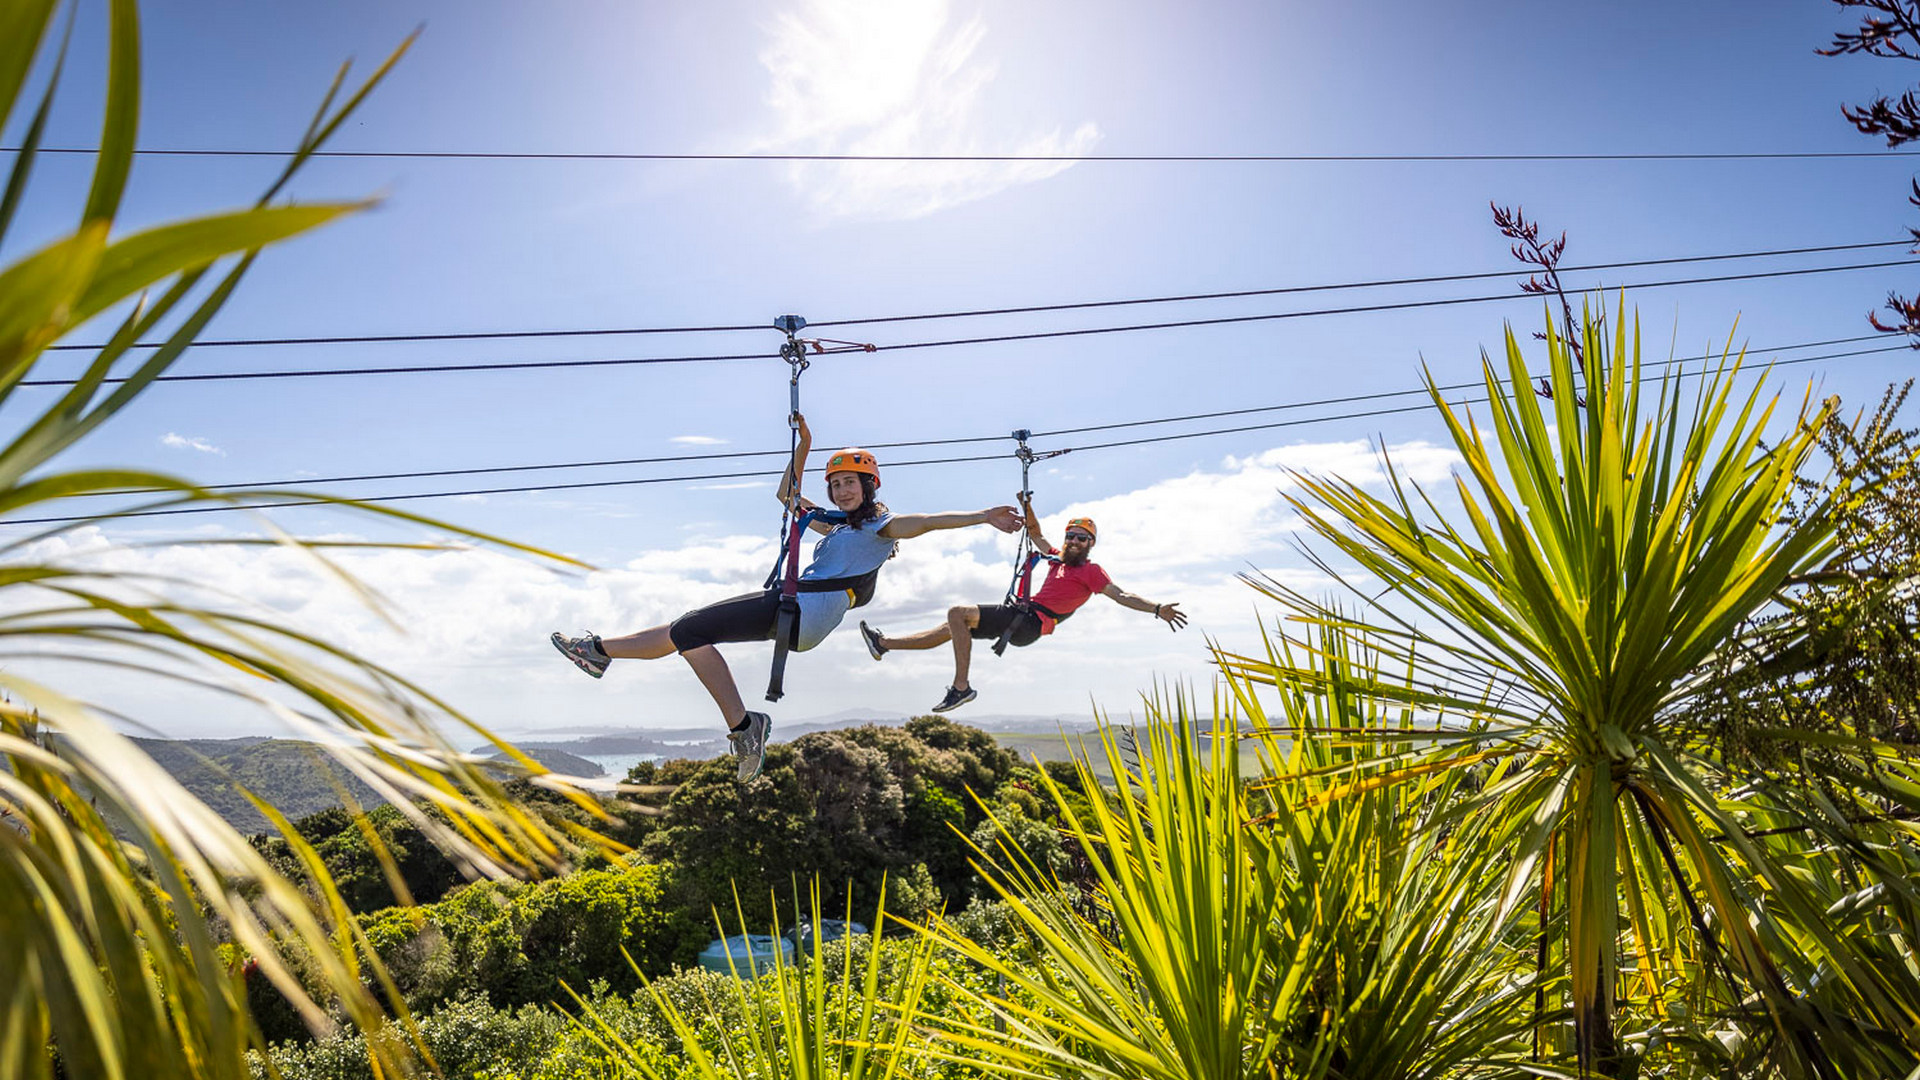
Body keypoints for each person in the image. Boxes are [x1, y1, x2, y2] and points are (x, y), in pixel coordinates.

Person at [550, 414, 1018, 781]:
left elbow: (928, 521)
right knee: (687, 633)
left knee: (690, 629)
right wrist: (805, 445)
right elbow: (786, 494)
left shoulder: (880, 527)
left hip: (801, 611)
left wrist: (983, 516)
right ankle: (597, 653)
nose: (840, 489)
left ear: (869, 486)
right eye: (835, 484)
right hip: (797, 616)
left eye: (850, 482)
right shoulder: (834, 526)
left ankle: (743, 727)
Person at [858, 492, 1187, 712]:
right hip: (1021, 616)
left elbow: (1121, 595)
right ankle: (883, 644)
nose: (1073, 541)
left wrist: (1157, 609)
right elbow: (1036, 532)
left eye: (1081, 538)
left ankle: (962, 687)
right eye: (1070, 536)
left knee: (958, 613)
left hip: (1029, 623)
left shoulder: (1091, 571)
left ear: (1090, 544)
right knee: (952, 626)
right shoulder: (1056, 558)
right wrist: (1026, 505)